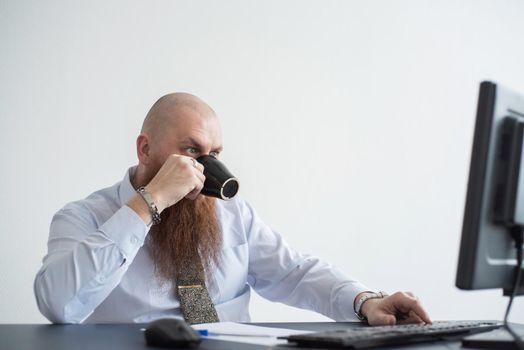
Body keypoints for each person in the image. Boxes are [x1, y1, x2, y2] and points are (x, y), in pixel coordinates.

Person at [34, 93, 431, 326]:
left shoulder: (232, 214)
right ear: (145, 149)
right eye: (192, 151)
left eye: (215, 154)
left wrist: (364, 301)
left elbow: (295, 273)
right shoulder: (83, 218)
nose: (206, 166)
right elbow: (59, 304)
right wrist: (150, 203)